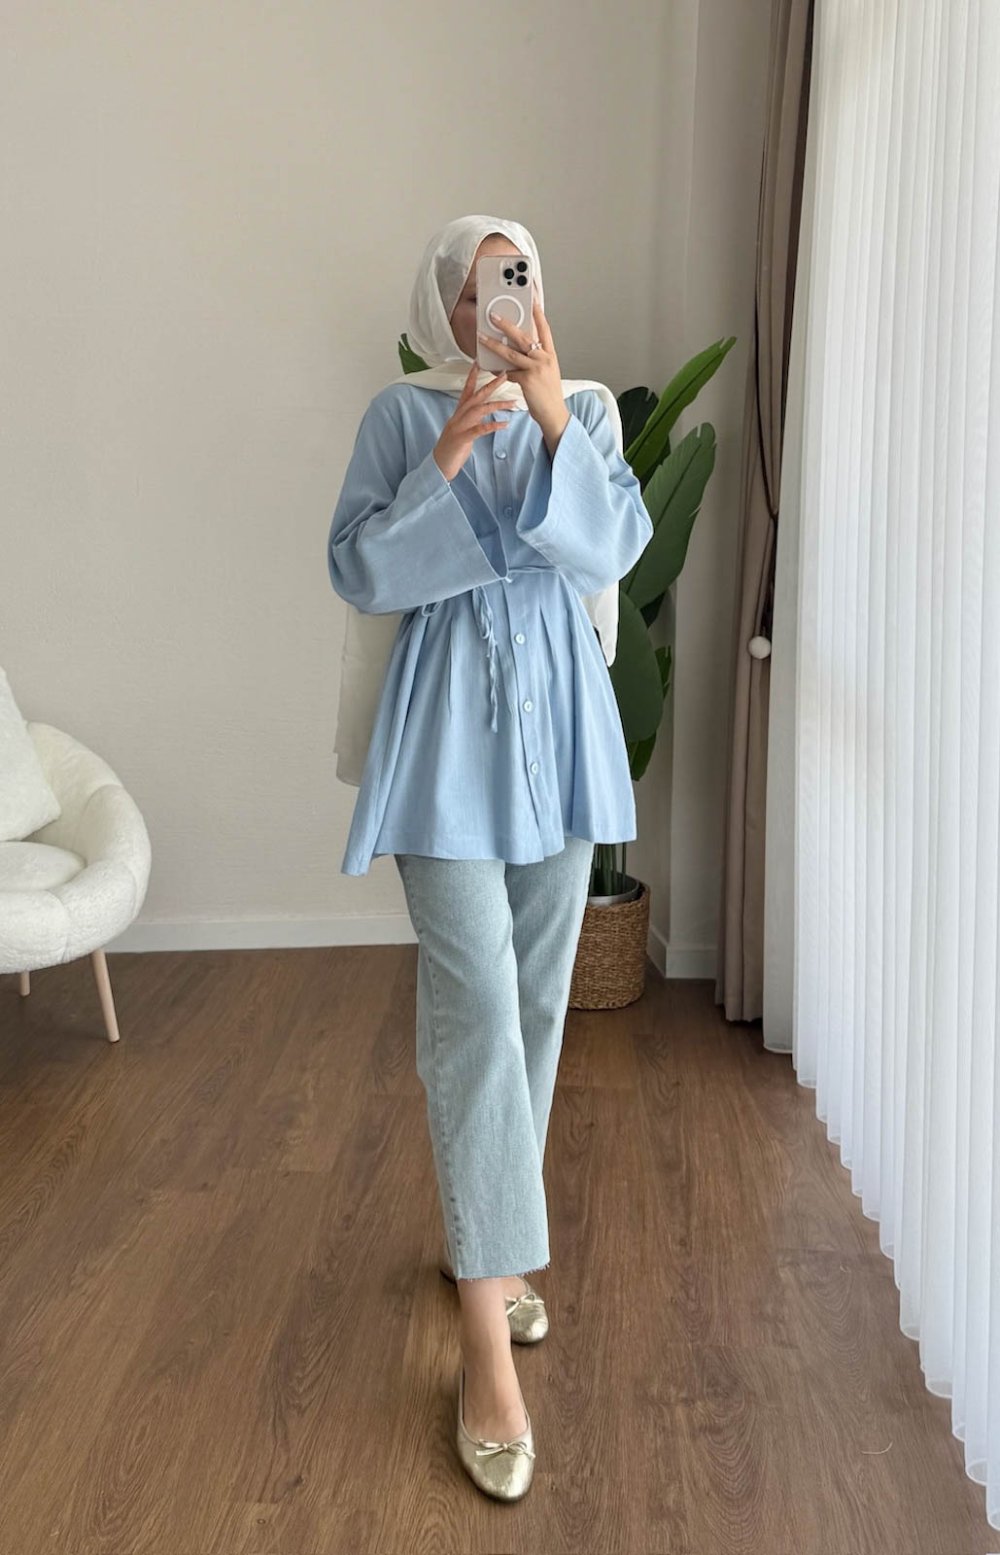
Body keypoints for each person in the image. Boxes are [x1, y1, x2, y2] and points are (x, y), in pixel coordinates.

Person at [326, 214, 653, 1501]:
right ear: (443, 308)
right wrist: (448, 457)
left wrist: (551, 414)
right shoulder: (399, 416)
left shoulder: (588, 409)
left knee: (530, 1007)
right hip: (442, 738)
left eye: (515, 281)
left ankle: (491, 1248)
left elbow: (612, 552)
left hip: (560, 734)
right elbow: (360, 570)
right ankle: (483, 1340)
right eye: (476, 290)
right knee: (473, 1010)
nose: (499, 307)